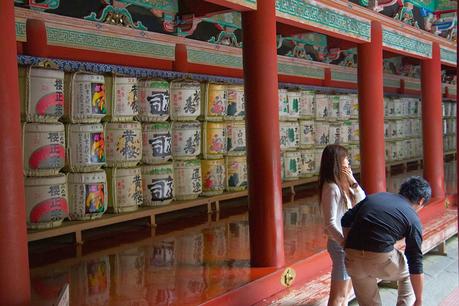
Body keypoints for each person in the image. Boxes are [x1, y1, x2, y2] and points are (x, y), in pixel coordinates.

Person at [341, 176, 431, 306]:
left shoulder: (376, 197)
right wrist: (419, 299)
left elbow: (345, 219)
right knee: (408, 272)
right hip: (381, 258)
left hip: (352, 259)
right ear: (421, 201)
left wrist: (347, 245)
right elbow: (415, 260)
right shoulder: (413, 218)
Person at [319, 144, 366, 306]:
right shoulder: (331, 187)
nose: (348, 161)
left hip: (348, 243)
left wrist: (352, 179)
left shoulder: (343, 184)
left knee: (346, 293)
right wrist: (344, 243)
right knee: (338, 296)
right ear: (337, 162)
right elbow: (330, 222)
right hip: (340, 245)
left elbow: (362, 200)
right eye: (345, 158)